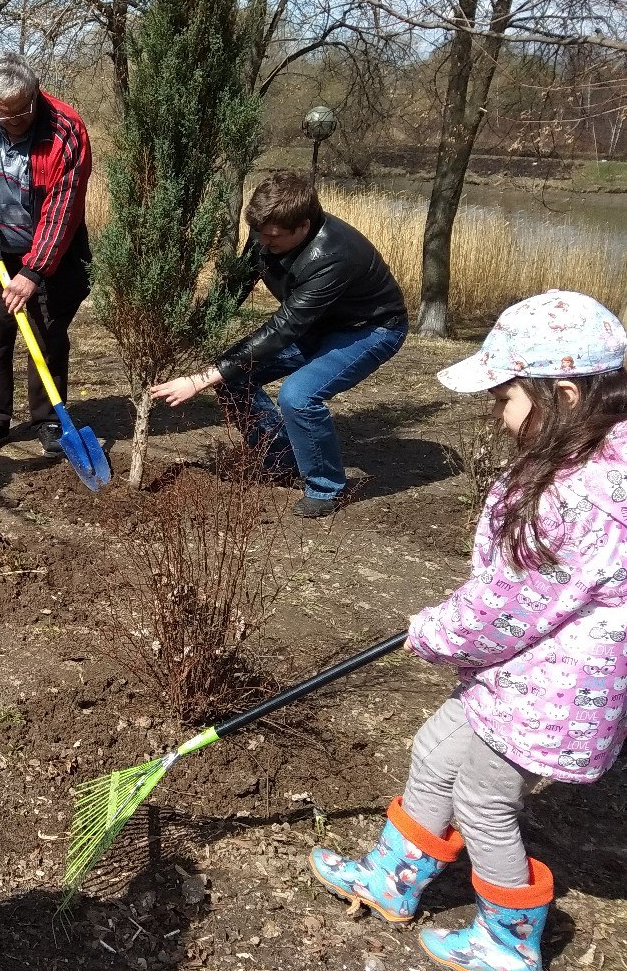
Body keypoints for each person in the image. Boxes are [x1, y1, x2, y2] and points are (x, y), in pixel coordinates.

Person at [308, 290, 627, 971]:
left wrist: (432, 634)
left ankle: (507, 943)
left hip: (550, 692)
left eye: (505, 397)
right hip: (524, 673)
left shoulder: (569, 495)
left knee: (484, 801)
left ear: (564, 394)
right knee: (434, 750)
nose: (495, 412)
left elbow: (504, 611)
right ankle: (391, 879)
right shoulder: (597, 455)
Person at [150, 170, 407, 517]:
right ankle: (279, 458)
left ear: (303, 225)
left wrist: (200, 379)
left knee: (298, 396)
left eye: (272, 237)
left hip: (368, 329)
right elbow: (237, 284)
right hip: (317, 322)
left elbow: (284, 328)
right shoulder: (267, 230)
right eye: (259, 233)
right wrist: (195, 327)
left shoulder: (334, 255)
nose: (263, 242)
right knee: (235, 375)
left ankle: (326, 487)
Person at [0, 53, 93, 457]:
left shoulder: (65, 130)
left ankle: (48, 422)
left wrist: (34, 272)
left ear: (34, 97)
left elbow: (63, 211)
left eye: (19, 115)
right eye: (2, 116)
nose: (11, 124)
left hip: (50, 254)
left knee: (45, 334)